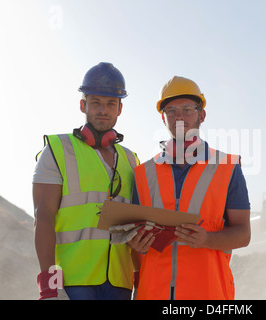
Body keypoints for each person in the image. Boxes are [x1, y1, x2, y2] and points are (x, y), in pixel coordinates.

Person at [128, 76, 251, 300]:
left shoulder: (227, 168)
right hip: (153, 293)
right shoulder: (142, 174)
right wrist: (137, 245)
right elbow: (135, 239)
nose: (179, 117)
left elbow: (243, 234)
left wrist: (208, 240)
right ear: (163, 117)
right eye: (171, 110)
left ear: (201, 114)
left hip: (207, 293)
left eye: (187, 109)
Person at [33, 62, 140, 300]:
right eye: (96, 102)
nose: (103, 109)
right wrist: (49, 286)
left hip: (120, 283)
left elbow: (136, 225)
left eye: (111, 103)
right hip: (73, 282)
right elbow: (44, 216)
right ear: (83, 105)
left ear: (120, 108)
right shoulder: (58, 150)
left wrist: (141, 278)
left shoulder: (132, 161)